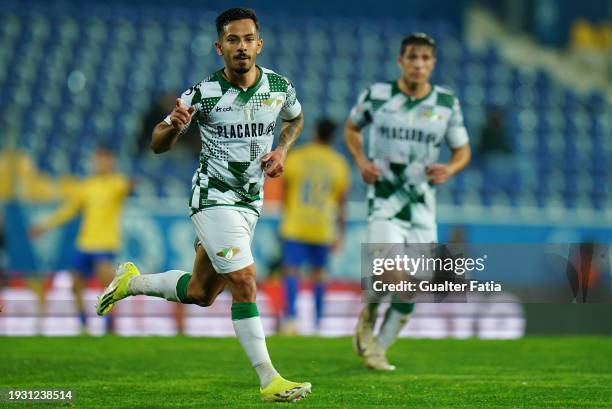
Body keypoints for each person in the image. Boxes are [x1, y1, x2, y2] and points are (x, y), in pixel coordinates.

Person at [95, 8, 311, 403]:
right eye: (233, 40)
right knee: (245, 282)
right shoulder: (202, 93)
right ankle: (270, 379)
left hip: (250, 201)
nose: (241, 47)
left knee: (200, 293)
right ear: (219, 47)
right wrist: (174, 127)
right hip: (213, 198)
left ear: (259, 45)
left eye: (248, 39)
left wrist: (282, 149)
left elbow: (295, 120)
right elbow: (157, 144)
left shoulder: (279, 86)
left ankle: (132, 281)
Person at [344, 33, 471, 370]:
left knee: (412, 289)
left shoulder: (446, 103)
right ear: (400, 61)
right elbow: (352, 129)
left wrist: (450, 168)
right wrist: (360, 162)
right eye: (412, 57)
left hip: (422, 204)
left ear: (433, 64)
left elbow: (463, 150)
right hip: (384, 200)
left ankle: (377, 349)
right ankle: (371, 310)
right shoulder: (378, 95)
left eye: (425, 58)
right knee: (392, 277)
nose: (418, 64)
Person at [30, 146, 130, 332]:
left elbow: (126, 188)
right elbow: (68, 211)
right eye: (99, 159)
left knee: (108, 285)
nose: (102, 163)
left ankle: (110, 325)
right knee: (75, 284)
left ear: (112, 162)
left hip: (106, 243)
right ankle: (84, 323)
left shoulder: (117, 183)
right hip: (85, 243)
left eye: (106, 159)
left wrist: (130, 184)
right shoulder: (86, 186)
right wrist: (44, 225)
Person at [279, 118, 350, 334]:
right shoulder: (338, 163)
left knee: (291, 271)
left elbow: (285, 188)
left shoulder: (298, 156)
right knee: (319, 274)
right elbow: (341, 202)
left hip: (296, 224)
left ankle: (290, 320)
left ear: (315, 132)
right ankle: (318, 322)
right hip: (323, 227)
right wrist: (340, 233)